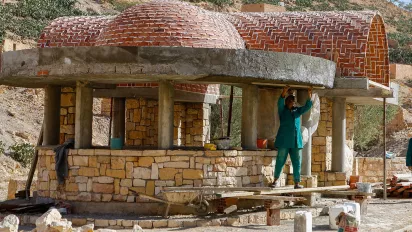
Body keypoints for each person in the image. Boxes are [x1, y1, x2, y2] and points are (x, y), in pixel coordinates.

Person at [270, 85, 313, 189]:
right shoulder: (282, 111)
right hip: (284, 141)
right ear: (286, 102)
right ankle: (275, 181)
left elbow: (307, 106)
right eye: (290, 101)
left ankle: (297, 183)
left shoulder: (297, 111)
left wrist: (309, 94)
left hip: (295, 142)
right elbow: (279, 102)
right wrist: (284, 92)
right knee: (280, 160)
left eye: (293, 101)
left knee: (297, 162)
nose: (292, 103)